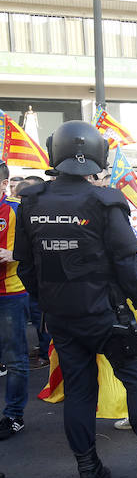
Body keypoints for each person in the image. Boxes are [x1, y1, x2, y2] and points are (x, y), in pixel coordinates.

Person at [14, 121, 137, 478]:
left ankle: (89, 471)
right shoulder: (105, 199)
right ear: (96, 155)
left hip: (61, 317)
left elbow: (27, 267)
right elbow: (127, 260)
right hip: (107, 315)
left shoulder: (31, 202)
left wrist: (49, 301)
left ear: (55, 152)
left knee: (80, 390)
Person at [0, 160, 30, 441]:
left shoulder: (18, 210)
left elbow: (39, 245)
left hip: (11, 293)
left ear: (4, 184)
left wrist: (14, 254)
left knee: (15, 358)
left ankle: (13, 416)